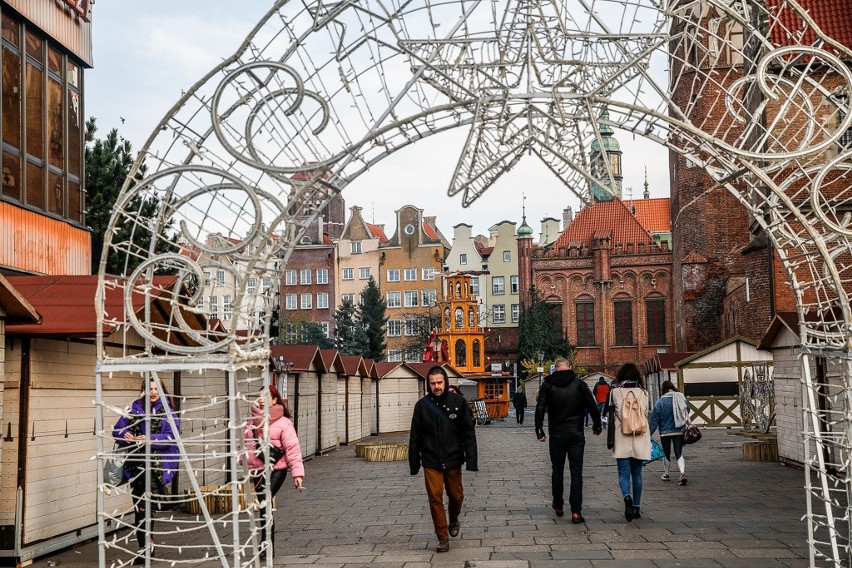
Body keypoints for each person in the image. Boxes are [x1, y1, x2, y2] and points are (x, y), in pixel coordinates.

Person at [409, 366, 478, 553]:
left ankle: (454, 518)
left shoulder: (458, 402)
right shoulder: (422, 406)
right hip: (431, 459)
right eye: (433, 383)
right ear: (428, 384)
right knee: (435, 498)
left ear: (445, 382)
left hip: (453, 457)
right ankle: (442, 537)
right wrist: (414, 463)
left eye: (439, 382)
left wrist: (472, 460)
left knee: (456, 496)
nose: (436, 386)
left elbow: (468, 433)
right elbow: (415, 436)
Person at [113, 380, 180, 565]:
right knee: (141, 506)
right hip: (137, 464)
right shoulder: (134, 408)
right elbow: (117, 429)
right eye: (148, 389)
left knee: (143, 505)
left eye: (155, 389)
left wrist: (149, 439)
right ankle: (146, 546)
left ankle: (146, 549)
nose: (152, 393)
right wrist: (124, 435)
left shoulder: (169, 412)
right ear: (142, 391)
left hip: (158, 465)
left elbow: (172, 437)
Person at [534, 358, 601, 524]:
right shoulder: (579, 384)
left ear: (555, 369)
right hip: (576, 433)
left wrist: (539, 429)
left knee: (557, 470)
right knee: (576, 472)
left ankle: (558, 504)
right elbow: (592, 405)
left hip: (557, 434)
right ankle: (576, 511)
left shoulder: (548, 384)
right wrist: (597, 424)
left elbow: (540, 407)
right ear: (570, 368)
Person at [243, 385, 304, 559]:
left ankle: (266, 545)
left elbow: (292, 448)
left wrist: (297, 473)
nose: (261, 399)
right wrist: (244, 463)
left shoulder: (284, 422)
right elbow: (246, 446)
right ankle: (266, 544)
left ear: (275, 400)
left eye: (266, 396)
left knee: (265, 502)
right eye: (259, 396)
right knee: (264, 505)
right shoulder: (250, 422)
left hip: (277, 468)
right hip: (258, 470)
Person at [610, 363, 651, 522]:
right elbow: (646, 413)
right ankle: (637, 507)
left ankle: (627, 497)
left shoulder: (615, 392)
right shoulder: (644, 393)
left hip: (622, 437)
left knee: (623, 473)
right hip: (640, 436)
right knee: (637, 474)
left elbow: (611, 413)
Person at [649, 380, 690, 485]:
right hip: (679, 430)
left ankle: (666, 474)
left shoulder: (660, 402)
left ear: (663, 389)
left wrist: (649, 433)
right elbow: (688, 410)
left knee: (666, 453)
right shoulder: (680, 397)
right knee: (678, 453)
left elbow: (654, 420)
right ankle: (682, 473)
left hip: (665, 432)